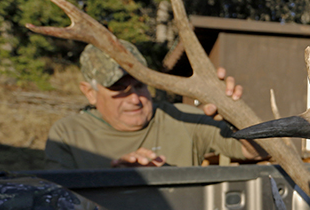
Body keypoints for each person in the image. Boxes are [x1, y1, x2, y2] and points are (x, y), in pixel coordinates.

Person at [45, 41, 263, 169]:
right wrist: (114, 182)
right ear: (90, 93)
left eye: (140, 85)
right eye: (119, 88)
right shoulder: (68, 135)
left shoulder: (185, 119)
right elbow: (58, 206)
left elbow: (257, 152)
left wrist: (234, 113)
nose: (135, 99)